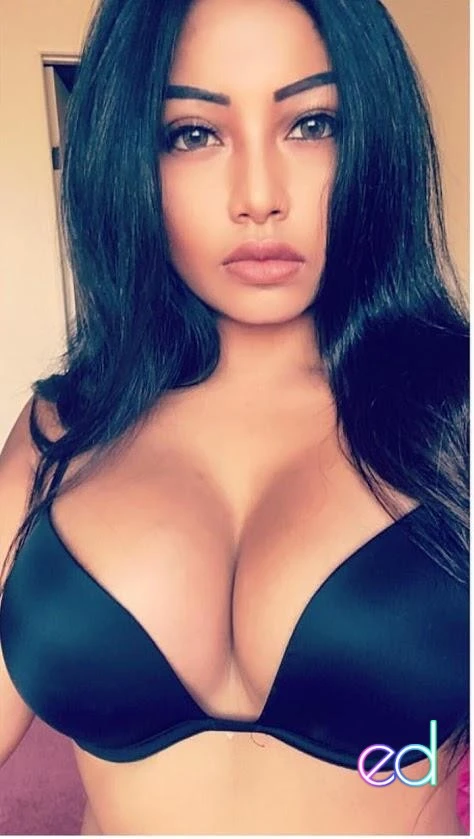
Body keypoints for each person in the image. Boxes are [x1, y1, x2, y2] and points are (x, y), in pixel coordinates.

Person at [0, 0, 469, 834]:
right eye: (193, 134)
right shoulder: (61, 433)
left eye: (312, 124)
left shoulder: (456, 415)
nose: (259, 197)